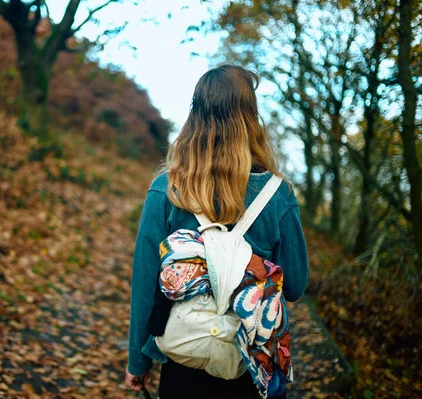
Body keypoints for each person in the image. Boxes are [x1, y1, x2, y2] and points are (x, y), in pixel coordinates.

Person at [125, 65, 309, 398]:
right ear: (250, 119)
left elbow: (145, 284)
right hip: (249, 369)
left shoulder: (167, 190)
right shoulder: (277, 196)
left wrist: (138, 362)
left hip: (181, 363)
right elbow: (295, 285)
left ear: (195, 116)